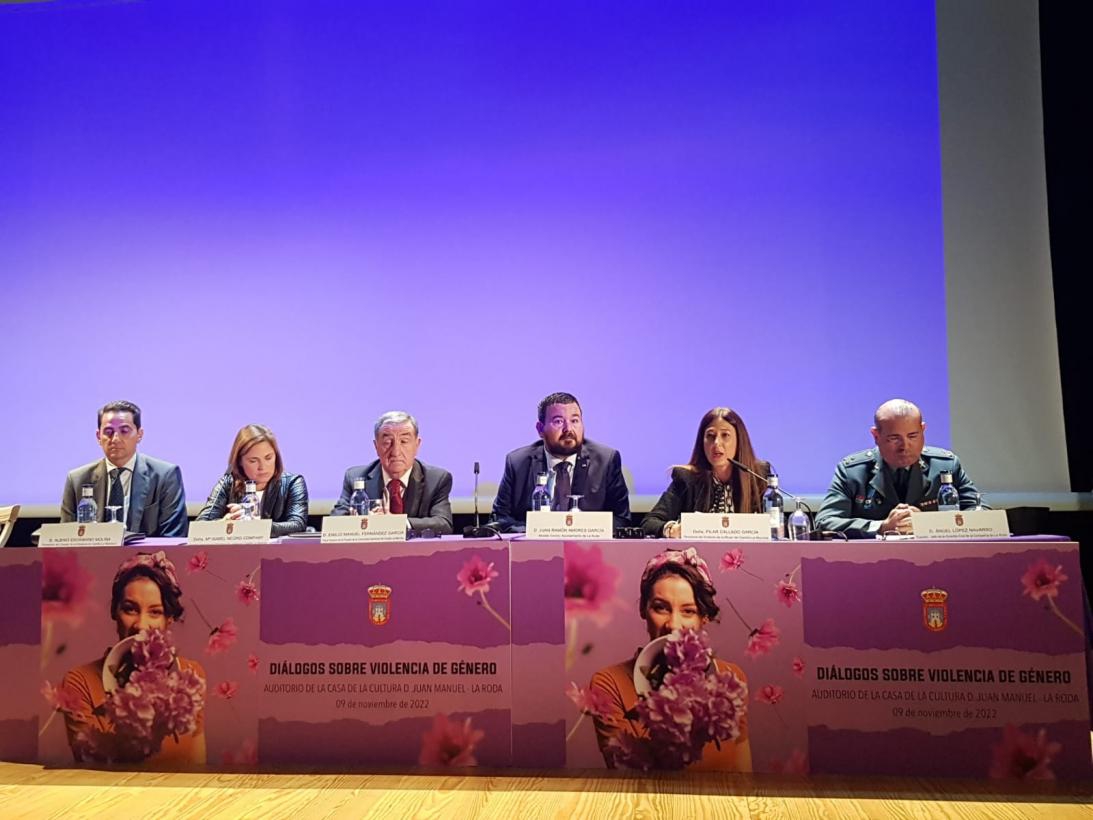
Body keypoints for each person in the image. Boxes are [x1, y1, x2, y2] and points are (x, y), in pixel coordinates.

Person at [588, 548, 752, 771]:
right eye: (660, 608)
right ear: (643, 610)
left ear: (704, 617)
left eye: (688, 611)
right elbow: (628, 777)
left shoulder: (731, 679)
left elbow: (743, 776)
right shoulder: (609, 684)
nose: (673, 624)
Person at [60, 552, 207, 766]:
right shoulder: (80, 682)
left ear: (169, 620)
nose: (141, 625)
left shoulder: (191, 676)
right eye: (130, 609)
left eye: (155, 612)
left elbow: (197, 765)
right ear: (114, 612)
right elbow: (90, 769)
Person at [815, 398, 979, 538]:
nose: (905, 447)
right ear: (876, 436)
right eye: (894, 438)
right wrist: (881, 527)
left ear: (923, 430)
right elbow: (826, 521)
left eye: (913, 436)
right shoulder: (853, 471)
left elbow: (981, 512)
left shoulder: (946, 465)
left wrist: (927, 523)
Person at [490, 392, 630, 531]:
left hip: (587, 544)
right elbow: (500, 518)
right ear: (540, 429)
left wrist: (582, 531)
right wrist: (534, 532)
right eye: (558, 421)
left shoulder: (606, 460)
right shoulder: (518, 462)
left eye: (575, 421)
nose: (568, 429)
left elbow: (621, 519)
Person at [60, 400, 188, 537]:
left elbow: (173, 537)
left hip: (147, 551)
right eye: (108, 432)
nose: (115, 438)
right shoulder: (77, 479)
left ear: (139, 434)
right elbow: (66, 538)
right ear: (98, 437)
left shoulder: (165, 476)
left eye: (124, 431)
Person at [642, 407, 771, 538]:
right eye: (710, 436)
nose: (717, 443)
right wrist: (672, 530)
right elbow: (649, 523)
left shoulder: (758, 476)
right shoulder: (687, 479)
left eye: (725, 435)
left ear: (740, 441)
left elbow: (774, 524)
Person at [331, 411, 453, 534]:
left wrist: (394, 523)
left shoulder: (436, 479)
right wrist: (365, 522)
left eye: (404, 441)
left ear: (417, 445)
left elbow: (444, 524)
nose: (396, 452)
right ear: (376, 446)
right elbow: (334, 524)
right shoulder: (356, 477)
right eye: (387, 442)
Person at [196, 424, 309, 537]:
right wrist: (225, 523)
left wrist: (256, 526)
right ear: (239, 461)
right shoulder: (228, 483)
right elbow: (200, 526)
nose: (262, 467)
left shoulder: (292, 483)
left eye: (268, 458)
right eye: (253, 461)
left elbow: (298, 524)